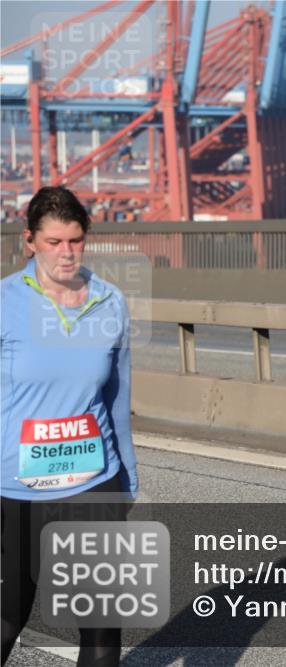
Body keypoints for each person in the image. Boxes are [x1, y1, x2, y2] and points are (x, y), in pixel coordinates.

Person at [1, 186, 137, 666]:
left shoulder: (109, 302)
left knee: (101, 629)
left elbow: (116, 398)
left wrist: (127, 479)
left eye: (75, 240)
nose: (66, 252)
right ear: (30, 241)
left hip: (91, 482)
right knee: (7, 616)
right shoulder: (4, 302)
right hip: (15, 486)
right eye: (54, 241)